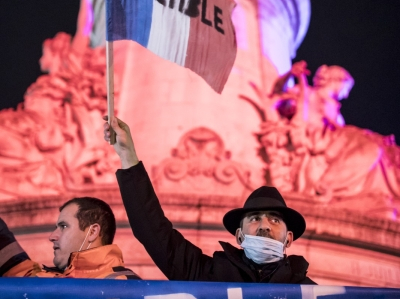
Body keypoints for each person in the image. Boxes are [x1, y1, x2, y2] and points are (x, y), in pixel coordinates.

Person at [104, 117, 316, 284]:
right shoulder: (208, 275)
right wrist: (127, 155)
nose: (264, 226)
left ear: (289, 238)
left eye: (275, 220)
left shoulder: (308, 295)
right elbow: (153, 231)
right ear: (239, 236)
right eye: (254, 218)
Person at [0, 196, 140, 279]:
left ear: (92, 232)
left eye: (64, 226)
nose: (52, 236)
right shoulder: (39, 278)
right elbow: (11, 260)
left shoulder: (130, 290)